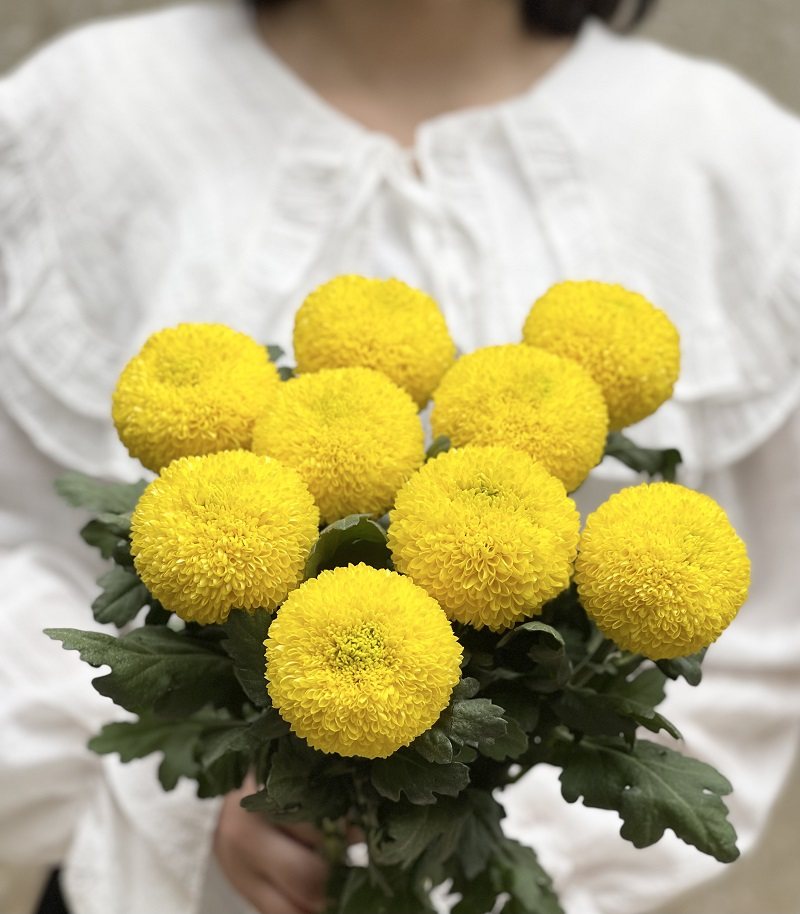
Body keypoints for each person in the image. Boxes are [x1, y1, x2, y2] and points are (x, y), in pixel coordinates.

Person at [1, 1, 799, 912]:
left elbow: (765, 646)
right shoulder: (79, 115)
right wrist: (183, 819)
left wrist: (485, 862)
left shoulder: (737, 166)